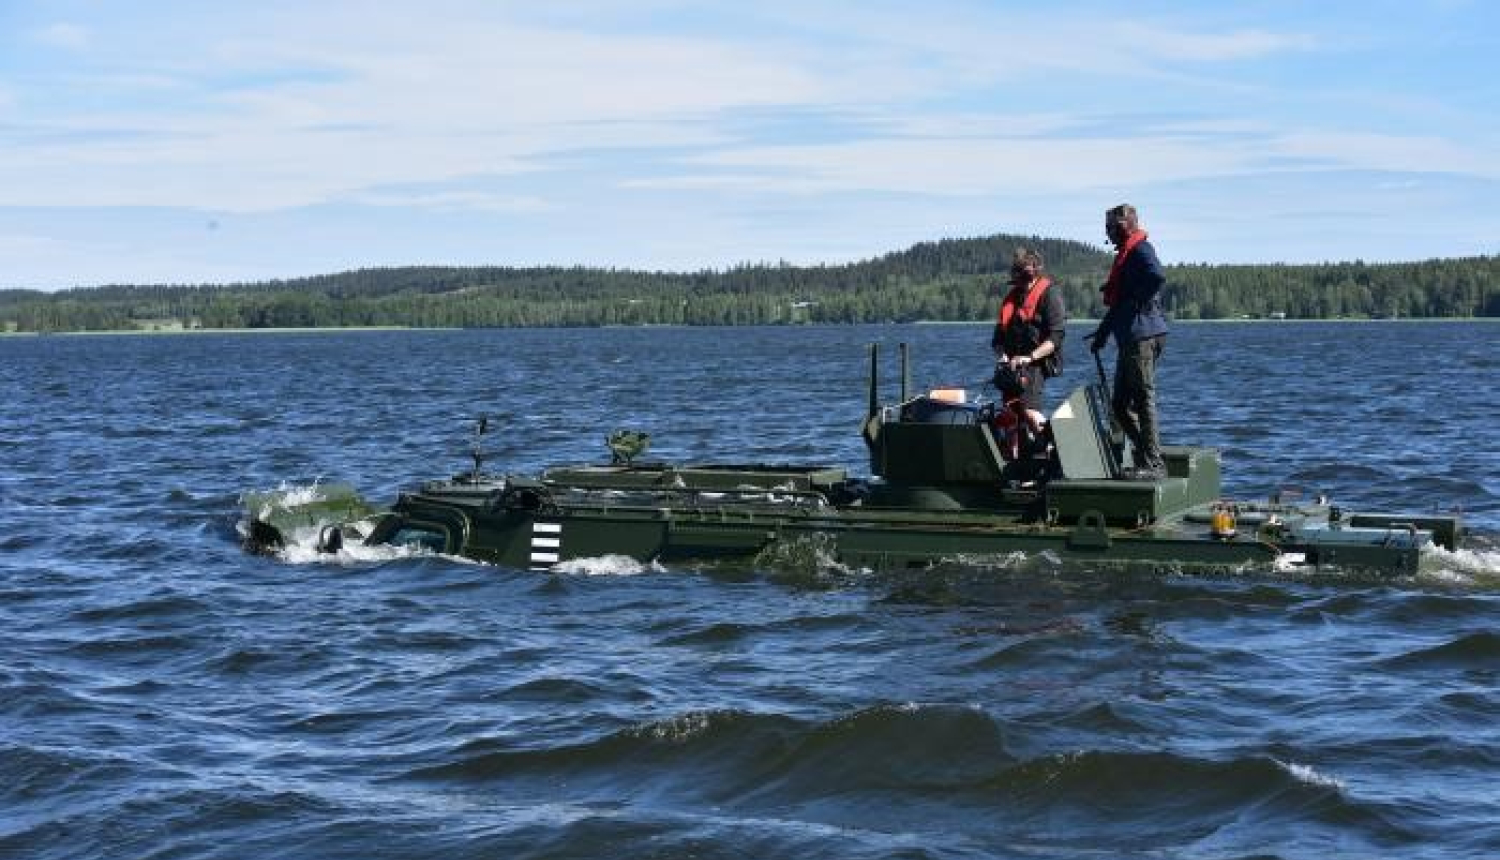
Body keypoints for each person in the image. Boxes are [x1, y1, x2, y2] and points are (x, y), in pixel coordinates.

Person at [1087, 203, 1169, 478]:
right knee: (1120, 406)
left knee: (1143, 400)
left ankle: (1154, 465)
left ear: (1124, 225)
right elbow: (1119, 303)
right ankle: (1146, 455)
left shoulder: (1140, 249)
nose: (1107, 233)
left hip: (1143, 335)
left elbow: (1156, 276)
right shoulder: (1126, 254)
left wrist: (1136, 300)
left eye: (1110, 227)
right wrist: (1101, 335)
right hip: (1131, 337)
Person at [990, 247, 1066, 412]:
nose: (1022, 283)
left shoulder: (1050, 294)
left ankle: (1039, 435)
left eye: (1025, 276)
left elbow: (1056, 337)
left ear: (1035, 271)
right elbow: (997, 340)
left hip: (1036, 363)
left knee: (1028, 409)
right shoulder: (1012, 298)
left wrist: (1029, 357)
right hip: (1010, 366)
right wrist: (1002, 355)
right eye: (1018, 276)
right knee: (1010, 411)